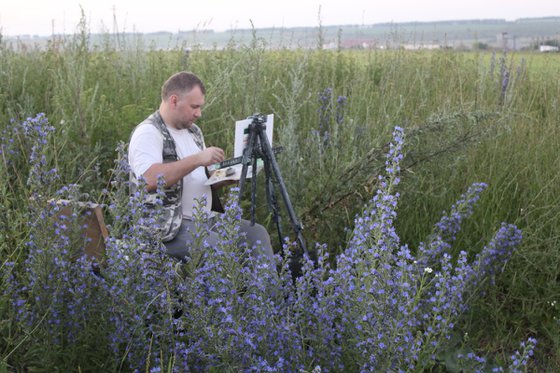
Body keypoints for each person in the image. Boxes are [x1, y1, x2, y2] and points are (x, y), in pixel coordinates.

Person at [128, 71, 274, 263]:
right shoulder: (148, 132)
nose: (199, 113)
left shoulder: (193, 131)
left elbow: (198, 177)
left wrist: (225, 177)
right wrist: (197, 159)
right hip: (169, 226)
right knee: (217, 247)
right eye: (194, 107)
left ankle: (269, 293)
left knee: (256, 234)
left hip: (206, 220)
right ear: (174, 101)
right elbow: (147, 179)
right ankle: (226, 293)